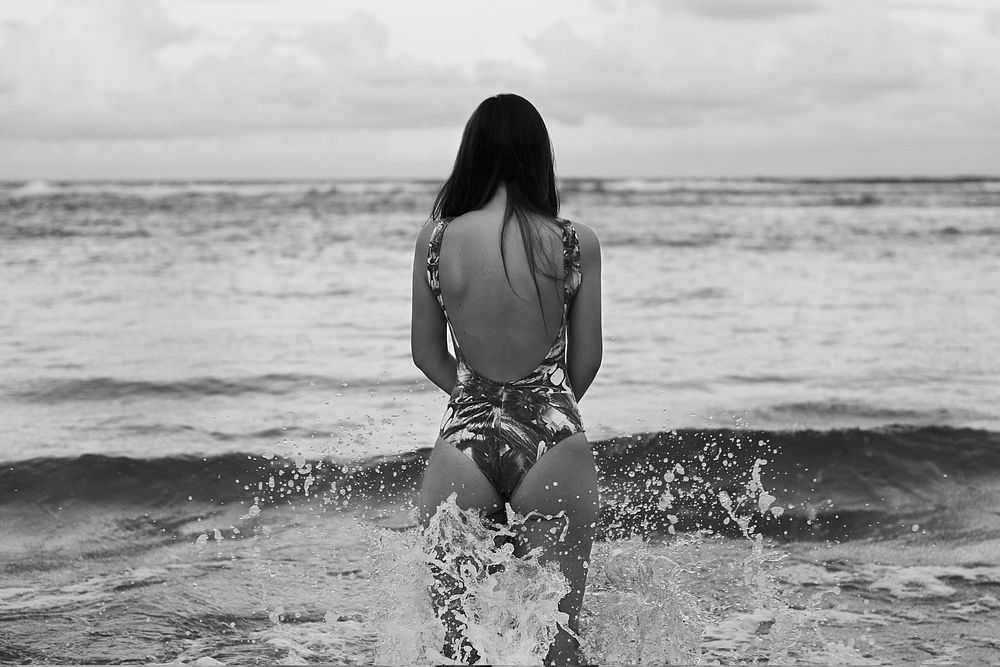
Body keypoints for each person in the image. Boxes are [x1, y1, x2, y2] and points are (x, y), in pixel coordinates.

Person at [410, 93, 603, 665]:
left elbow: (426, 353)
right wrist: (540, 409)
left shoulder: (438, 239)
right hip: (552, 441)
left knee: (457, 645)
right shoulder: (574, 243)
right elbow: (586, 362)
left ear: (472, 154)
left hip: (463, 444)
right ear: (538, 156)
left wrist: (480, 401)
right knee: (559, 645)